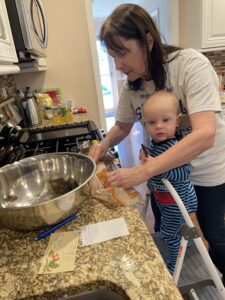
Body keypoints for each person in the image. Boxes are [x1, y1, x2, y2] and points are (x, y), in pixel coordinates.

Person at [89, 3, 225, 283]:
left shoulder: (189, 64)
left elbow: (205, 134)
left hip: (205, 174)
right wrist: (102, 146)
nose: (118, 65)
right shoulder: (132, 86)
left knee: (212, 240)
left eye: (122, 53)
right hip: (165, 180)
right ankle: (178, 285)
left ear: (148, 41)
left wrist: (143, 171)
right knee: (171, 234)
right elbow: (122, 125)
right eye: (112, 56)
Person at [141, 91, 197, 273]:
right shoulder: (153, 146)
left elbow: (184, 172)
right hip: (166, 201)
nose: (159, 126)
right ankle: (186, 243)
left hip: (180, 202)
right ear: (145, 124)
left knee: (170, 233)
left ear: (177, 121)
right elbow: (154, 174)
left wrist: (158, 168)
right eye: (152, 122)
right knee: (174, 227)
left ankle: (173, 267)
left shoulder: (176, 148)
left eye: (165, 120)